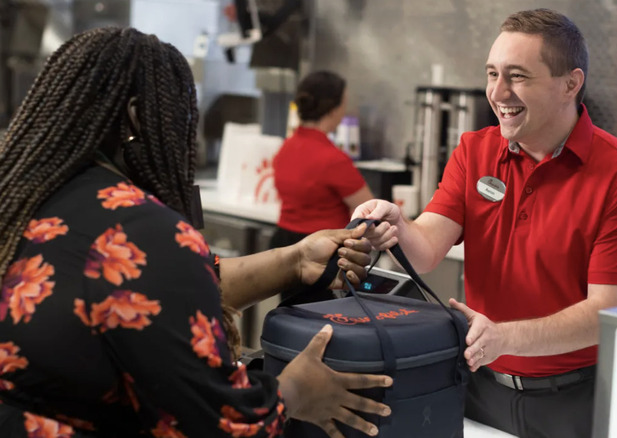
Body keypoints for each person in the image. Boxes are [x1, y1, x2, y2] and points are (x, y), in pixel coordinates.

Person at [0, 27, 392, 438]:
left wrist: (294, 260)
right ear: (136, 118)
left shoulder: (25, 200)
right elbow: (220, 427)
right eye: (180, 118)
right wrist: (296, 390)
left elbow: (149, 290)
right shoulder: (140, 231)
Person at [353, 9, 617, 437]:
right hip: (477, 387)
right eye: (492, 73)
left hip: (573, 400)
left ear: (571, 84)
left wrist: (505, 338)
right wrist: (398, 224)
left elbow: (607, 312)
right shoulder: (474, 151)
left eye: (518, 76)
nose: (498, 92)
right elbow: (425, 250)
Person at [271, 71, 373, 250]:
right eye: (344, 103)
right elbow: (370, 211)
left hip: (283, 245)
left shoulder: (285, 148)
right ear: (333, 109)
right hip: (321, 252)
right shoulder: (333, 160)